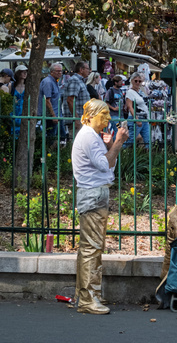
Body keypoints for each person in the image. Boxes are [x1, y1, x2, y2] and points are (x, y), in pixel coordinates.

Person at [72, 99, 129, 314]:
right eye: (104, 115)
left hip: (96, 194)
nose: (108, 119)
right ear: (91, 115)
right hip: (93, 195)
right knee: (91, 248)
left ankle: (86, 294)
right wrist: (118, 142)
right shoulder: (87, 136)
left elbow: (108, 162)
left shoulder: (92, 136)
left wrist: (109, 145)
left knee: (91, 247)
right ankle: (87, 298)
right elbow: (106, 163)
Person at [38, 62, 65, 140]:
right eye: (57, 71)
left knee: (62, 137)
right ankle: (49, 151)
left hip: (57, 114)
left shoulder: (55, 81)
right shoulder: (48, 82)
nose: (60, 73)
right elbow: (47, 100)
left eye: (61, 71)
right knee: (51, 137)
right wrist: (53, 115)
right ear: (51, 72)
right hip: (50, 116)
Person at [124, 71, 150, 149]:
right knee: (130, 140)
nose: (137, 83)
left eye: (139, 81)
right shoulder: (129, 92)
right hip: (136, 119)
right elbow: (130, 107)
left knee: (147, 140)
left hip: (145, 119)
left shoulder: (141, 92)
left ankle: (148, 157)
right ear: (132, 81)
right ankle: (123, 154)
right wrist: (136, 119)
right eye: (136, 81)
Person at [63, 60, 91, 133]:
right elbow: (70, 100)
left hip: (82, 119)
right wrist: (76, 118)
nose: (89, 71)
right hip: (77, 120)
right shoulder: (75, 80)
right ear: (81, 70)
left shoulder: (81, 81)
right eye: (87, 69)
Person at [11, 65, 27, 139]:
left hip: (23, 111)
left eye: (25, 72)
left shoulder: (27, 86)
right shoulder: (12, 86)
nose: (25, 73)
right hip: (14, 111)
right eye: (22, 72)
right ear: (18, 73)